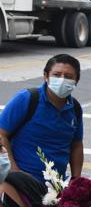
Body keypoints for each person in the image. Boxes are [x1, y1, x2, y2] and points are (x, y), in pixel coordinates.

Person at [0, 54, 83, 183]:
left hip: (56, 185)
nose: (62, 80)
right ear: (46, 76)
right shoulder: (27, 99)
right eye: (56, 75)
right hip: (21, 182)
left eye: (68, 77)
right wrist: (14, 172)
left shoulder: (75, 108)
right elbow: (1, 134)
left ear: (77, 80)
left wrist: (76, 179)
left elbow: (76, 145)